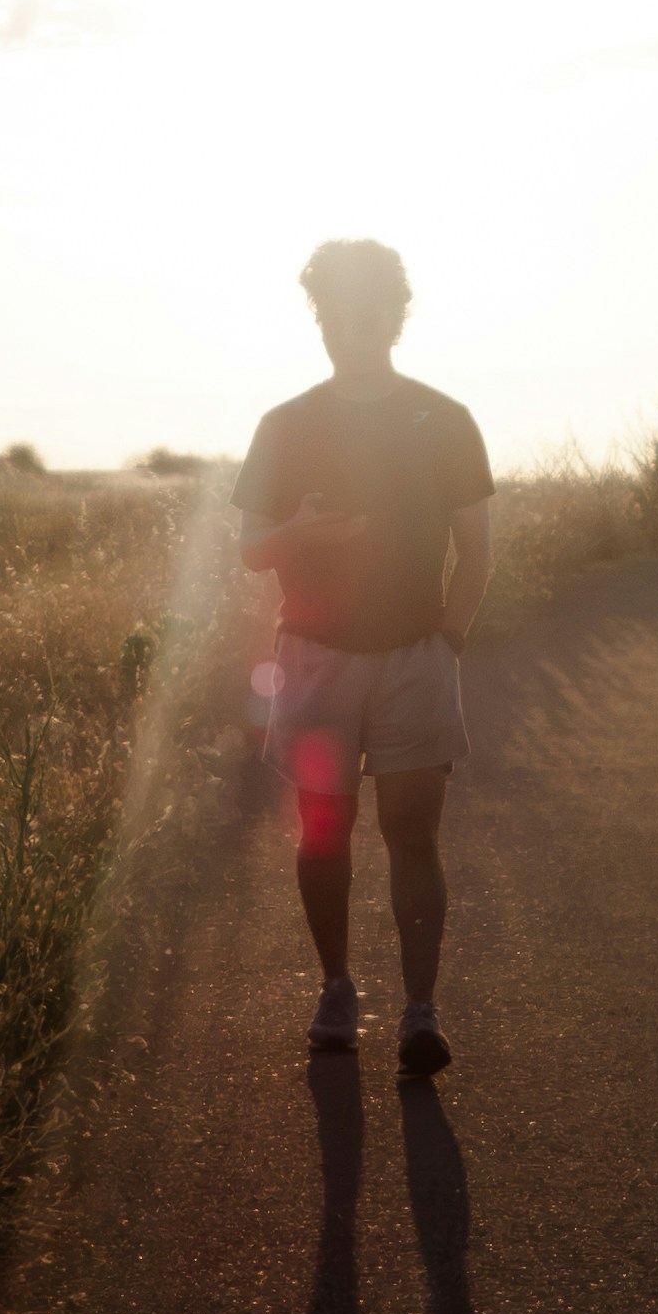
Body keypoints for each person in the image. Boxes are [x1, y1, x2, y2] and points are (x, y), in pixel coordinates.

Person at [236, 238, 494, 1071]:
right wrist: (297, 532)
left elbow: (476, 548)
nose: (353, 328)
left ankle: (421, 1012)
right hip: (315, 657)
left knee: (413, 834)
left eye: (370, 312)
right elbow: (250, 549)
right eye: (337, 313)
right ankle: (336, 988)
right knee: (322, 833)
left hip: (417, 655)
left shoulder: (445, 418)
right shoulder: (285, 424)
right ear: (320, 320)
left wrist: (450, 638)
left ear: (397, 316)